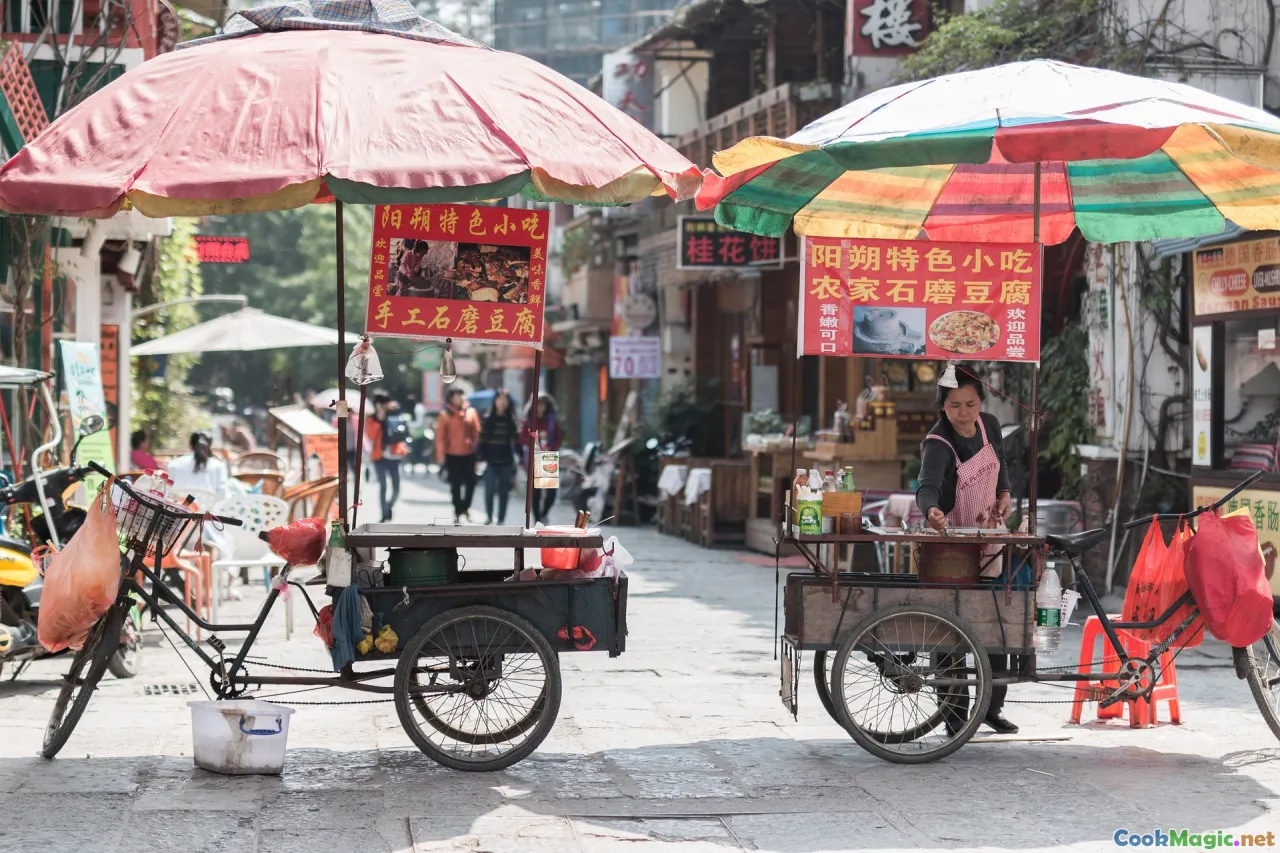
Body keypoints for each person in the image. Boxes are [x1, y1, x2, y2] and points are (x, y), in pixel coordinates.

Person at [916, 366, 1017, 735]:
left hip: (989, 537)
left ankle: (992, 707)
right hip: (951, 546)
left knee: (995, 620)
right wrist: (931, 512)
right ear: (942, 406)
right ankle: (954, 713)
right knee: (951, 629)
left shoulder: (989, 425)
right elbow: (926, 487)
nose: (964, 412)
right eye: (955, 405)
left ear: (981, 402)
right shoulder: (937, 443)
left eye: (971, 404)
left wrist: (1004, 494)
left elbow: (1000, 465)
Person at [435, 388, 481, 523]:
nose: (460, 398)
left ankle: (466, 507)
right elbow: (440, 438)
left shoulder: (471, 412)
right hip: (452, 455)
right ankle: (457, 510)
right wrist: (440, 456)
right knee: (455, 485)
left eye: (461, 395)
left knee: (471, 483)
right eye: (457, 396)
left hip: (469, 454)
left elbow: (476, 432)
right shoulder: (445, 415)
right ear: (450, 399)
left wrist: (478, 452)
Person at [366, 392, 410, 522]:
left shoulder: (395, 413)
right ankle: (384, 513)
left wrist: (395, 411)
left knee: (396, 487)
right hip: (380, 456)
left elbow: (403, 429)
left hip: (395, 455)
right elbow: (371, 436)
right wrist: (380, 420)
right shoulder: (372, 418)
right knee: (383, 486)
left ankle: (389, 506)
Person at [520, 393, 561, 525]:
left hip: (548, 457)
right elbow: (522, 437)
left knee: (551, 493)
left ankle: (544, 514)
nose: (540, 408)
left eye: (543, 404)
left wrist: (551, 446)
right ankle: (537, 519)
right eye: (538, 404)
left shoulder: (552, 420)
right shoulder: (529, 420)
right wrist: (533, 438)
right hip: (534, 457)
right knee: (535, 492)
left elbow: (559, 436)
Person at [478, 390, 517, 525]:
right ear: (495, 401)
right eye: (499, 399)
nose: (502, 402)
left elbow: (515, 440)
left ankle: (501, 519)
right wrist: (479, 458)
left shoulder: (511, 420)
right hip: (490, 461)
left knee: (504, 491)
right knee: (489, 490)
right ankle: (489, 516)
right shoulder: (487, 419)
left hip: (506, 461)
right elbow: (481, 440)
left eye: (505, 399)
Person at [167, 431, 231, 498]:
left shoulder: (174, 463)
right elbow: (223, 493)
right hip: (208, 507)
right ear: (210, 446)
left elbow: (168, 490)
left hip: (179, 506)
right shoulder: (219, 465)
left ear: (189, 445)